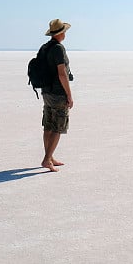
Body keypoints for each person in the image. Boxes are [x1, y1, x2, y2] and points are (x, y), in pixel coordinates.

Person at [40, 18, 74, 172]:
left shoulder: (45, 47)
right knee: (57, 127)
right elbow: (62, 74)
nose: (65, 34)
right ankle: (47, 159)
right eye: (64, 31)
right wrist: (69, 95)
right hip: (58, 93)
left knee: (48, 125)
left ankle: (50, 156)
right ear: (60, 33)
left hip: (47, 91)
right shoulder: (58, 49)